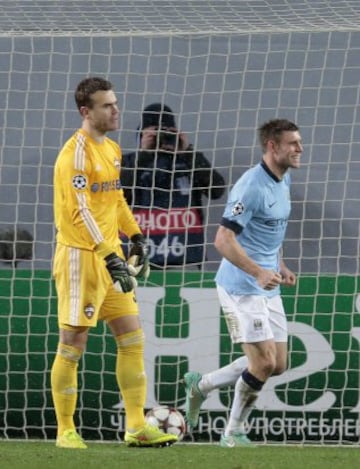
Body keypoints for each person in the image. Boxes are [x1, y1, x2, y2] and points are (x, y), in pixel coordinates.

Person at [51, 77, 177, 449]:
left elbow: (116, 199)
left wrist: (136, 236)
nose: (116, 109)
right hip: (81, 258)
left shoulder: (113, 149)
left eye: (116, 103)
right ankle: (65, 430)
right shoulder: (76, 154)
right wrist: (109, 255)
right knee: (73, 342)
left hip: (111, 257)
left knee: (132, 337)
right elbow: (80, 212)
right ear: (85, 112)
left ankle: (137, 427)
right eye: (107, 105)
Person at [183, 118, 302, 447]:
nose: (300, 148)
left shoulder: (283, 179)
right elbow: (223, 240)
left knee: (277, 364)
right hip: (239, 285)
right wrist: (258, 272)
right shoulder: (250, 187)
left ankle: (201, 386)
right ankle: (232, 431)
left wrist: (279, 264)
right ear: (272, 146)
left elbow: (270, 230)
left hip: (267, 281)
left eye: (299, 142)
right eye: (293, 143)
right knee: (261, 363)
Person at [121, 103, 225, 268]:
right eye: (155, 133)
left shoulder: (189, 160)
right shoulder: (129, 162)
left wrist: (187, 151)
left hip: (185, 257)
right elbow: (117, 194)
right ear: (141, 134)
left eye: (167, 132)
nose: (161, 137)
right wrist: (144, 154)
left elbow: (217, 190)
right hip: (138, 256)